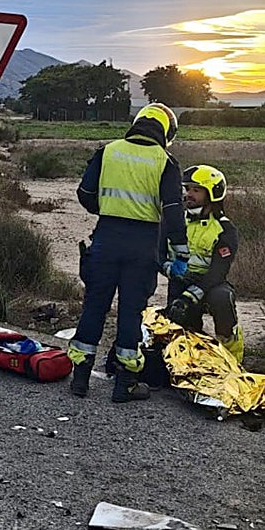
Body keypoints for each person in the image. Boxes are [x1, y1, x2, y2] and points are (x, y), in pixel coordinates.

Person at [69, 102, 187, 402]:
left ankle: (80, 378)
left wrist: (105, 209)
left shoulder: (108, 151)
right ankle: (125, 384)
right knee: (131, 313)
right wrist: (181, 252)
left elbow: (85, 194)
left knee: (94, 305)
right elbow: (173, 211)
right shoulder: (166, 161)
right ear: (165, 131)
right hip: (143, 244)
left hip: (106, 237)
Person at [164, 165, 244, 362]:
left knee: (222, 298)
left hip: (210, 283)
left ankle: (233, 359)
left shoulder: (225, 230)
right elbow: (158, 254)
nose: (188, 194)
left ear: (213, 193)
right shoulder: (175, 222)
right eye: (187, 189)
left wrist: (189, 296)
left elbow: (218, 271)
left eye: (196, 190)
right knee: (180, 327)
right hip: (180, 280)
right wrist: (170, 269)